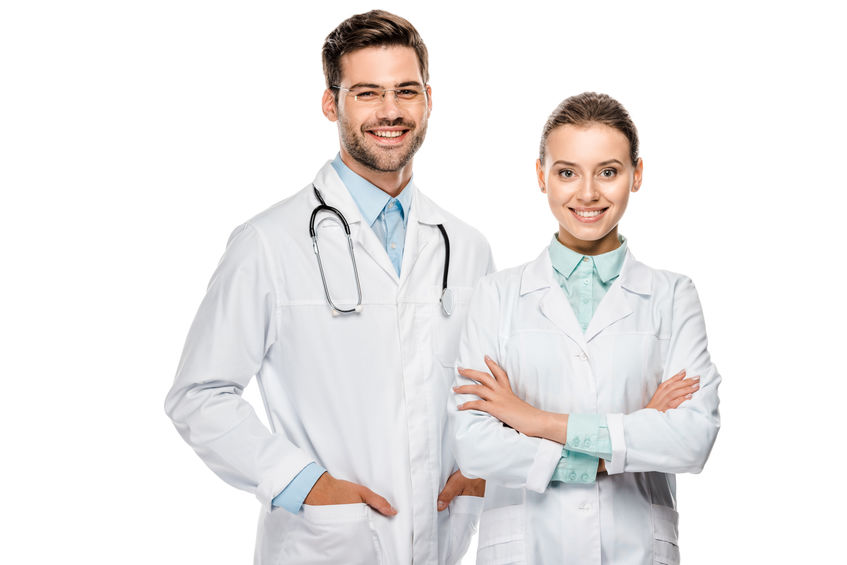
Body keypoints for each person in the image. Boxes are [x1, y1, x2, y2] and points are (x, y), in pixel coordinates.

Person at [165, 10, 492, 565]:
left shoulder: (466, 246)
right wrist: (305, 485)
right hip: (323, 545)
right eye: (367, 93)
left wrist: (480, 471)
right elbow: (198, 395)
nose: (390, 112)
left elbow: (485, 393)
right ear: (330, 103)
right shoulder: (268, 242)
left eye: (405, 91)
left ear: (429, 101)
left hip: (441, 543)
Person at [449, 92, 720, 565]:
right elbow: (474, 447)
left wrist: (532, 421)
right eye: (567, 172)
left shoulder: (673, 296)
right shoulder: (496, 295)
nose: (588, 193)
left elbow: (691, 440)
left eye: (608, 171)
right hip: (526, 546)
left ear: (637, 174)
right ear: (541, 176)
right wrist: (627, 437)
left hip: (634, 546)